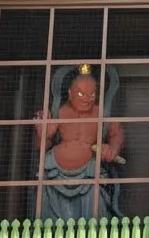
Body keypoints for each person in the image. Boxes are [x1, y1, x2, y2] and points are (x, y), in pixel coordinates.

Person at [35, 63, 125, 220]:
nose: (87, 99)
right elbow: (41, 146)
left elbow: (117, 134)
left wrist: (112, 149)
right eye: (81, 94)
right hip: (55, 172)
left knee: (94, 208)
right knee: (47, 206)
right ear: (70, 93)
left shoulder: (102, 113)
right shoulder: (59, 112)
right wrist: (43, 134)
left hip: (89, 175)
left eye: (91, 94)